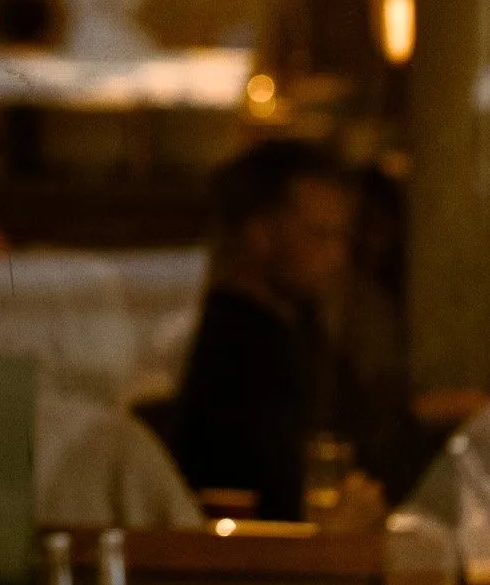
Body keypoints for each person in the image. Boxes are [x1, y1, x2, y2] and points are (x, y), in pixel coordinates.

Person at [170, 140, 411, 522]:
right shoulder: (240, 356)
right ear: (261, 235)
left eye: (342, 238)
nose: (338, 258)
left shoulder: (296, 332)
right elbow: (270, 508)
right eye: (320, 236)